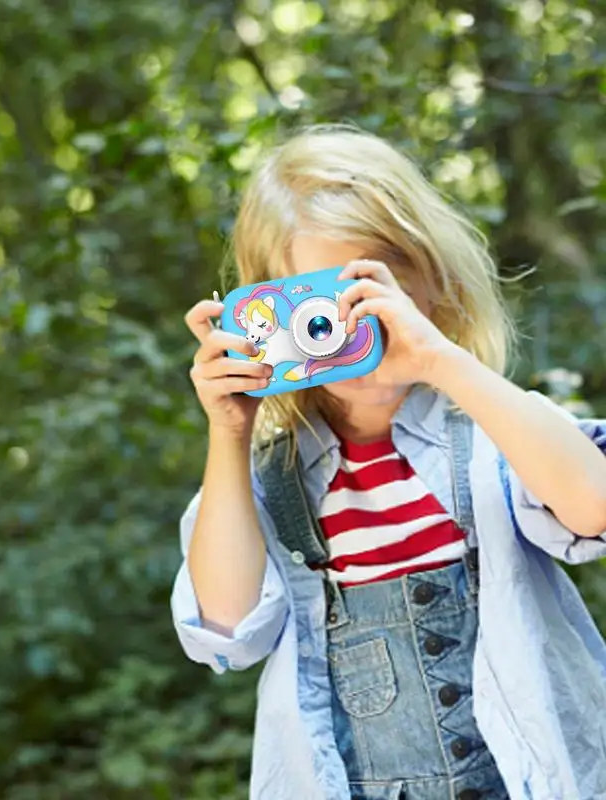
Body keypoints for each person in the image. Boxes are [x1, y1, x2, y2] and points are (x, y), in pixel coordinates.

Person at [171, 125, 606, 800]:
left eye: (366, 290)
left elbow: (596, 506)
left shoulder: (493, 431)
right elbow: (225, 630)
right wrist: (228, 433)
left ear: (431, 281)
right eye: (313, 305)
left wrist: (441, 361)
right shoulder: (269, 484)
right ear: (264, 315)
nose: (344, 326)